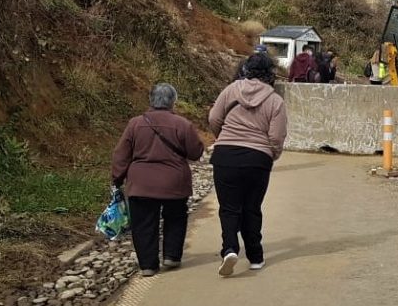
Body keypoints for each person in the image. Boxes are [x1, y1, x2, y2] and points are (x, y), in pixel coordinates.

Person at [112, 83, 204, 277]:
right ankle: (171, 256)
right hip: (174, 182)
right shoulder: (183, 124)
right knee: (176, 217)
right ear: (173, 102)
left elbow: (121, 154)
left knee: (144, 223)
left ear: (150, 100)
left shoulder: (135, 124)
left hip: (141, 183)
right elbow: (196, 153)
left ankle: (148, 265)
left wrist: (117, 178)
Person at [208, 54, 288, 276]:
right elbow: (277, 136)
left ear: (246, 70)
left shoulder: (230, 90)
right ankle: (255, 257)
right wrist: (270, 154)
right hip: (258, 159)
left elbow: (214, 118)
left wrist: (223, 137)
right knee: (251, 208)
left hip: (226, 156)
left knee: (229, 207)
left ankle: (230, 249)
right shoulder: (276, 101)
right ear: (270, 73)